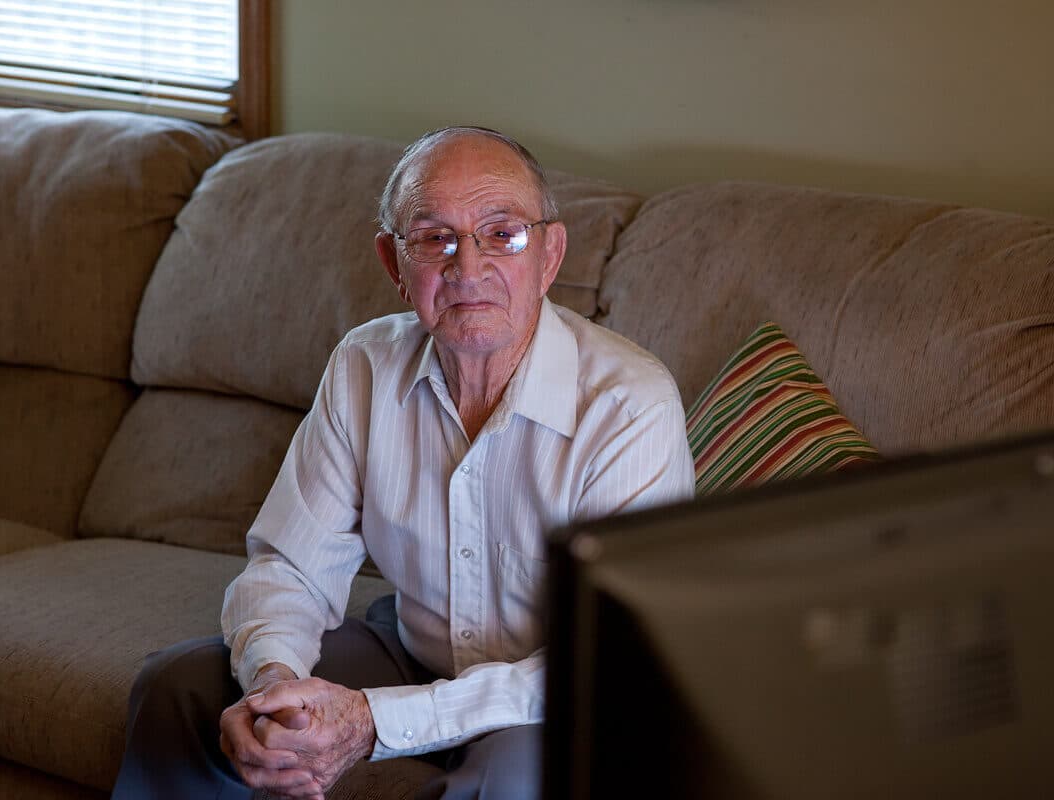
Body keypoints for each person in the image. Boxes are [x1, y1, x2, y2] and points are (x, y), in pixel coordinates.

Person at [110, 126, 695, 800]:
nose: (467, 268)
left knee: (512, 780)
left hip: (562, 697)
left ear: (550, 255)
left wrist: (372, 721)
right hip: (415, 655)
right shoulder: (363, 366)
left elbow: (605, 663)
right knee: (177, 693)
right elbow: (291, 566)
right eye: (434, 238)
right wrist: (276, 684)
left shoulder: (628, 404)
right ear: (394, 263)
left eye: (501, 234)